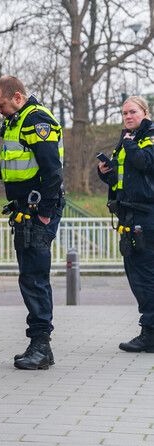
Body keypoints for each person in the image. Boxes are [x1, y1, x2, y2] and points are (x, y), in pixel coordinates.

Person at [0, 76, 65, 370]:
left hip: (37, 211)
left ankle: (41, 346)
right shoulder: (17, 122)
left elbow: (52, 170)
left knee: (35, 277)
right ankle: (40, 345)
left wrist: (45, 212)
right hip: (24, 210)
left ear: (17, 96)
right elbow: (27, 166)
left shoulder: (35, 120)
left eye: (1, 105)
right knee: (29, 276)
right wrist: (0, 169)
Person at [97, 96, 154, 353]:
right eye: (124, 113)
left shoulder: (148, 137)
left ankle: (150, 333)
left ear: (145, 113)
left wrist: (129, 147)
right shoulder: (126, 141)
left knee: (145, 277)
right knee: (137, 275)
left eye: (132, 112)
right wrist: (106, 172)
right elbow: (123, 180)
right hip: (128, 215)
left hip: (146, 216)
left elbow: (145, 163)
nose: (127, 116)